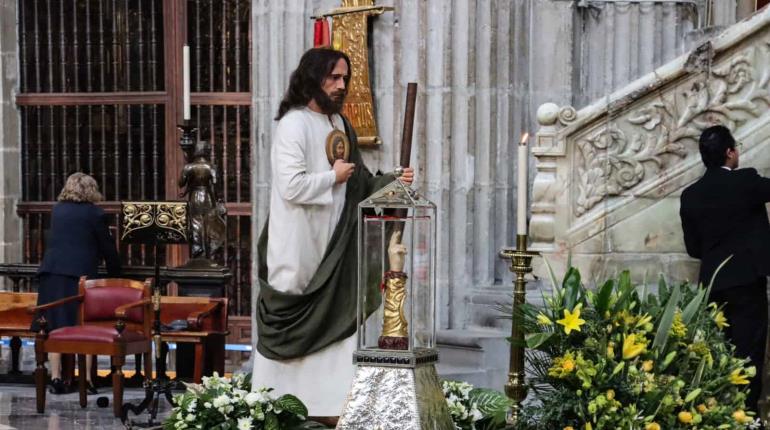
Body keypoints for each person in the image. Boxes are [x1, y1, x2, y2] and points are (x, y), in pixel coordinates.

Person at [252, 47, 414, 422]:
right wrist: (333, 177)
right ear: (312, 78)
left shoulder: (340, 125)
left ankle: (332, 407)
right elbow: (291, 186)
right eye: (333, 77)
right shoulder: (292, 124)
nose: (341, 85)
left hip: (336, 246)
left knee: (336, 317)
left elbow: (358, 183)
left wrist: (393, 181)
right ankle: (276, 402)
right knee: (293, 311)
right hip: (298, 244)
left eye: (344, 78)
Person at [680, 125, 770, 415]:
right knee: (749, 355)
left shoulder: (690, 194)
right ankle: (746, 417)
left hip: (713, 285)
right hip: (747, 284)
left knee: (716, 355)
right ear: (730, 152)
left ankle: (718, 416)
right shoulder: (746, 181)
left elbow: (694, 248)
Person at [33, 172, 122, 394]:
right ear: (91, 189)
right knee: (85, 325)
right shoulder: (94, 213)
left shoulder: (57, 210)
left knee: (54, 325)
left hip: (52, 271)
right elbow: (106, 246)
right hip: (79, 275)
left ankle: (56, 378)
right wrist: (116, 273)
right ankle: (87, 380)